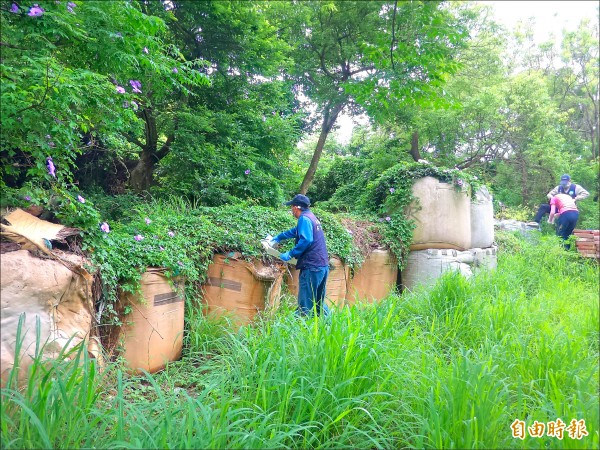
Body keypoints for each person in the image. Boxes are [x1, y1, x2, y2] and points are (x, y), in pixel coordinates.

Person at [269, 194, 330, 317]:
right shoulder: (311, 217)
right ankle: (327, 327)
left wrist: (291, 253)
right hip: (322, 266)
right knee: (318, 303)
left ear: (296, 207)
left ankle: (301, 329)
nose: (291, 210)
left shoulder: (304, 219)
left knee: (305, 305)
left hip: (312, 267)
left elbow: (306, 240)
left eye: (291, 207)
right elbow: (296, 231)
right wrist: (280, 236)